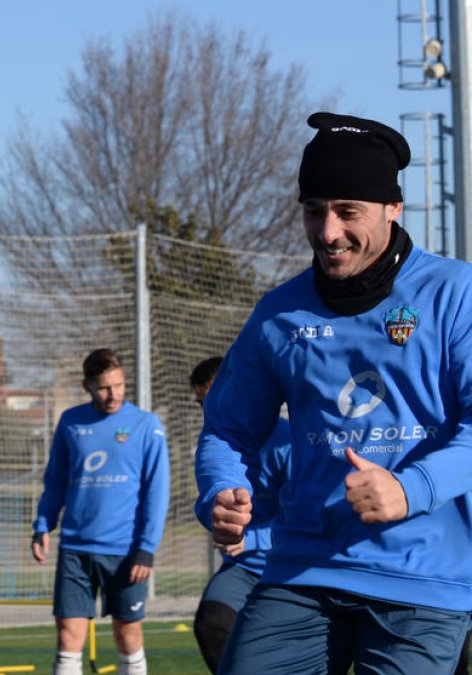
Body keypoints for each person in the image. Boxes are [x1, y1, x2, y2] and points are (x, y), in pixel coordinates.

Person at [195, 112, 472, 673]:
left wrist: (410, 488)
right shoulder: (279, 313)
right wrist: (221, 491)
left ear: (393, 208)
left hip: (423, 579)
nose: (328, 233)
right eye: (314, 211)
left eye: (348, 212)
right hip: (302, 569)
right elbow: (227, 427)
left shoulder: (454, 293)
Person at [31, 348, 170, 675]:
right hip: (75, 549)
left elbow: (157, 492)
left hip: (126, 553)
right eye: (105, 387)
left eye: (119, 385)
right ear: (87, 386)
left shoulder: (146, 425)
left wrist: (147, 549)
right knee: (68, 636)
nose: (114, 394)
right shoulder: (71, 422)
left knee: (128, 634)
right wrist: (42, 525)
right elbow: (56, 480)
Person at [188, 356, 290, 673]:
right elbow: (205, 502)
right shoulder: (214, 442)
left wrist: (252, 538)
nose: (209, 409)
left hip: (291, 566)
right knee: (212, 624)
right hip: (243, 568)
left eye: (211, 398)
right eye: (200, 403)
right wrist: (214, 513)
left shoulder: (287, 442)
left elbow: (307, 520)